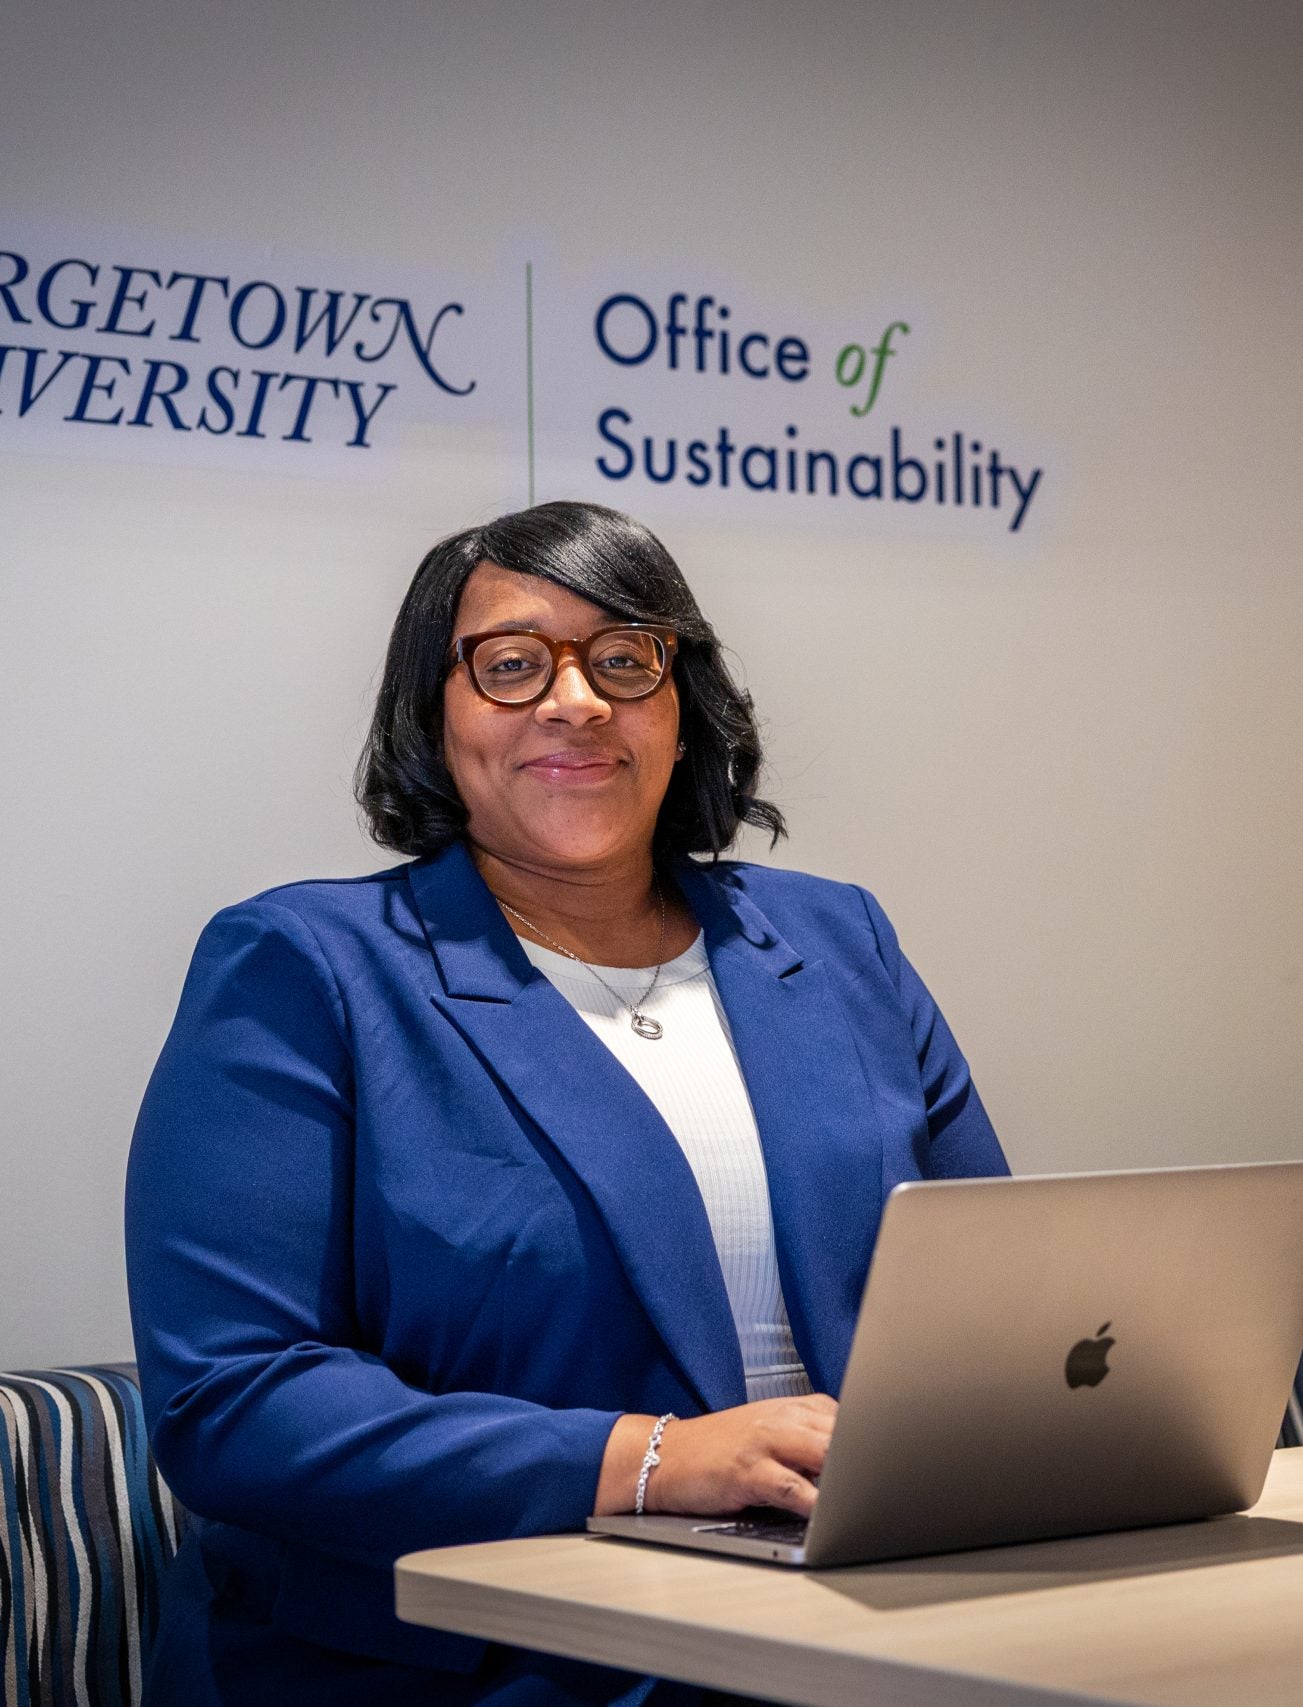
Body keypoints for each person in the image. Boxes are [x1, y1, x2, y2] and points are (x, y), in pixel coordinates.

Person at [125, 501, 1008, 1704]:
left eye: (624, 659)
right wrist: (650, 1461)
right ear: (431, 716)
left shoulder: (835, 938)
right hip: (468, 1666)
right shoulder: (305, 966)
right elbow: (234, 1399)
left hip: (858, 1625)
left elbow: (994, 1294)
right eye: (511, 664)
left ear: (681, 703)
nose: (576, 701)